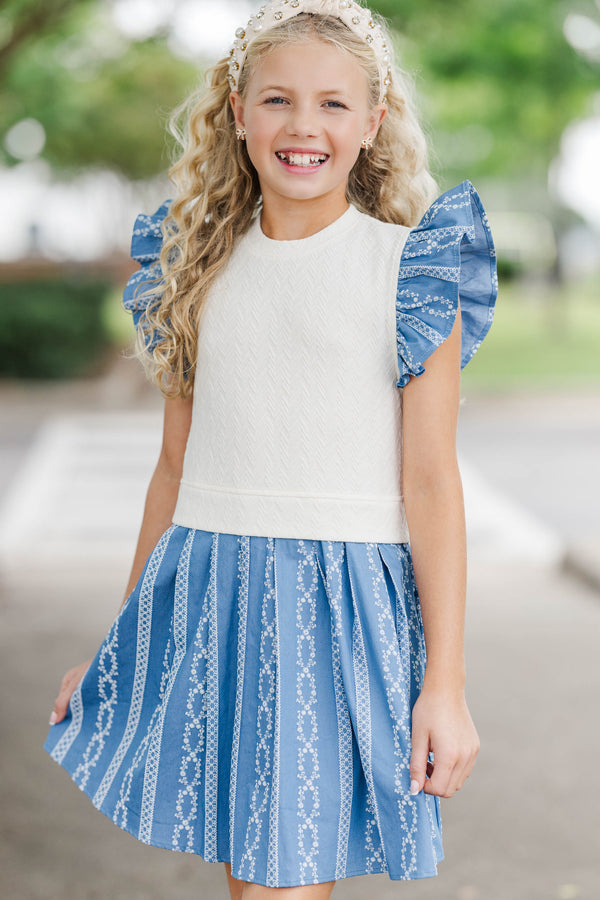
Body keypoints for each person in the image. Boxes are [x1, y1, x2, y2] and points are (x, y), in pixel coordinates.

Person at [44, 0, 498, 896]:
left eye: (334, 104)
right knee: (254, 882)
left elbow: (432, 485)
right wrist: (124, 639)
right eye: (279, 99)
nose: (304, 126)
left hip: (343, 605)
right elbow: (174, 469)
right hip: (212, 591)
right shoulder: (190, 269)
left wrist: (444, 683)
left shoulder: (411, 269)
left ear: (373, 125)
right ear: (239, 112)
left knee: (287, 883)